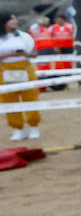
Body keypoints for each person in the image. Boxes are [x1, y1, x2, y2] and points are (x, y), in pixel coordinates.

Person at [1, 12, 40, 140]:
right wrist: (10, 54)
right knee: (9, 100)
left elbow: (34, 53)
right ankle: (18, 129)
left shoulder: (24, 36)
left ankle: (34, 127)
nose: (14, 21)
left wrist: (25, 54)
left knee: (30, 97)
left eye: (15, 19)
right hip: (4, 70)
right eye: (11, 19)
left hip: (25, 68)